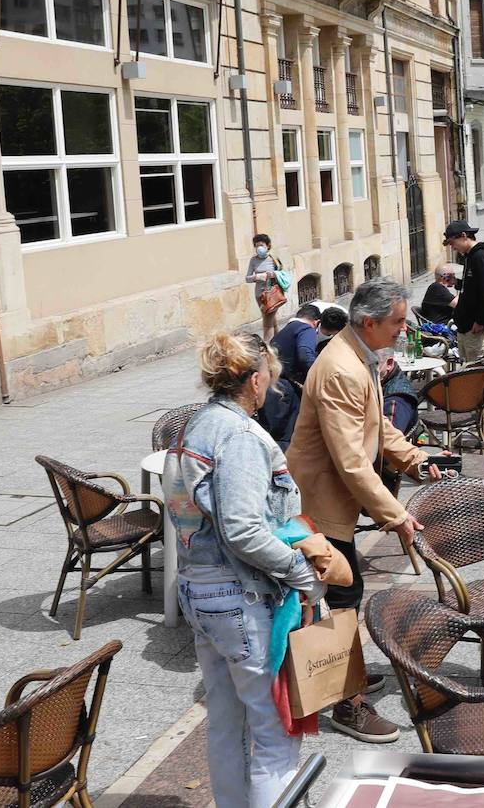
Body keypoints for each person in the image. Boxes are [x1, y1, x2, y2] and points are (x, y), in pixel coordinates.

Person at [165, 332, 325, 806]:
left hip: (201, 590)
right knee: (275, 734)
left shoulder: (196, 424)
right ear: (254, 381)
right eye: (270, 381)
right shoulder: (238, 436)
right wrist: (301, 572)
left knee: (226, 724)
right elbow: (243, 530)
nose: (272, 391)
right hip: (239, 595)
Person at [287, 278, 446, 742]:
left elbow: (377, 425)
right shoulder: (340, 367)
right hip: (319, 497)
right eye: (397, 322)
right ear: (370, 322)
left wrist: (417, 458)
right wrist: (396, 515)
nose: (404, 329)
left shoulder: (360, 352)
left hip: (335, 493)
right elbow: (351, 459)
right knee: (342, 593)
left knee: (342, 591)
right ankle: (345, 702)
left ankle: (343, 673)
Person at [444, 221, 484, 363]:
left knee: (478, 373)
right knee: (468, 373)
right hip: (465, 327)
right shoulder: (470, 257)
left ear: (463, 236)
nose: (453, 247)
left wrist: (481, 320)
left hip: (475, 329)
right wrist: (458, 283)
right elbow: (474, 287)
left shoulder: (479, 257)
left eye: (452, 242)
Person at [271, 304, 322, 384]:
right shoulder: (307, 329)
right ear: (317, 323)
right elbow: (305, 356)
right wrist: (321, 375)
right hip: (288, 381)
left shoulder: (287, 330)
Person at [246, 234, 280, 341]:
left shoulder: (273, 259)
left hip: (272, 293)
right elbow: (247, 278)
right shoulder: (253, 260)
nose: (259, 248)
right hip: (259, 294)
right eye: (256, 246)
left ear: (268, 246)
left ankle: (266, 347)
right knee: (269, 317)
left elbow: (282, 275)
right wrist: (257, 277)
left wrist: (273, 275)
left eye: (261, 245)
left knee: (267, 322)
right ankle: (279, 339)